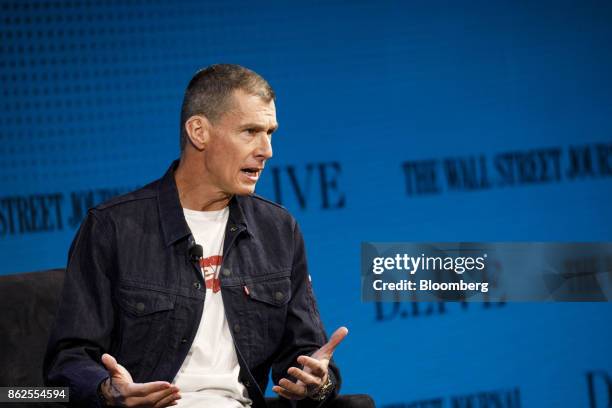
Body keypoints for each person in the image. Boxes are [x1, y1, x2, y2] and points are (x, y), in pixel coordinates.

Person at [44, 64, 348, 408]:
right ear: (198, 132)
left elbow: (306, 355)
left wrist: (317, 382)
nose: (267, 150)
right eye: (250, 131)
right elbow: (66, 363)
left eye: (270, 132)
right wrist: (106, 392)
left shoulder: (279, 230)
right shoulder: (112, 228)